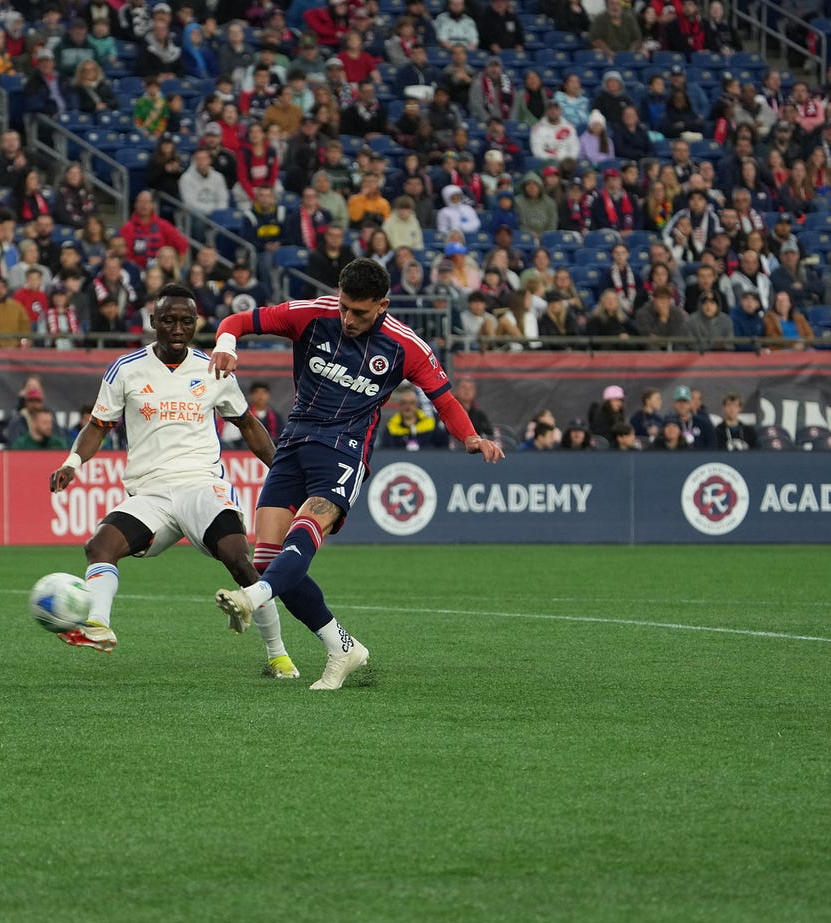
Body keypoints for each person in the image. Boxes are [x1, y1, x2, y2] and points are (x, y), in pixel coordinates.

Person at [208, 259, 504, 689]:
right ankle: (342, 648)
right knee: (267, 560)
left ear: (382, 305)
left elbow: (444, 399)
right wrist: (227, 344)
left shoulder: (407, 347)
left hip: (344, 449)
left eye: (359, 312)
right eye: (345, 307)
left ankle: (253, 597)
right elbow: (237, 319)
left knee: (303, 532)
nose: (347, 318)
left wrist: (471, 437)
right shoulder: (311, 315)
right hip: (293, 443)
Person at [47, 283, 292, 668]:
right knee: (99, 547)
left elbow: (246, 423)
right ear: (153, 322)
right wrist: (72, 464)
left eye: (186, 321)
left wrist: (282, 472)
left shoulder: (213, 369)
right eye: (168, 321)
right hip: (151, 493)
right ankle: (97, 624)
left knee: (240, 561)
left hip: (201, 485)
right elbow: (97, 425)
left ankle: (278, 656)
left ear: (196, 323)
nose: (177, 329)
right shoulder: (126, 370)